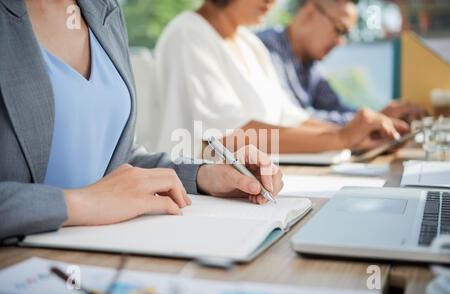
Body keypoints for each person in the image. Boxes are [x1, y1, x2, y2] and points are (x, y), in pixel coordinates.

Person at [0, 0, 283, 243]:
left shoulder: (102, 9)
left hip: (106, 247)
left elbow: (114, 159)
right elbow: (104, 192)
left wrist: (205, 176)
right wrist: (81, 203)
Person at [153, 0, 410, 157]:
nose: (272, 1)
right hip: (195, 193)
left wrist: (357, 134)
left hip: (246, 183)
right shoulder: (188, 34)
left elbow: (288, 116)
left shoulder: (248, 43)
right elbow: (224, 137)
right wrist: (340, 139)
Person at [257, 0, 427, 125]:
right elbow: (290, 118)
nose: (341, 42)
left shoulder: (310, 64)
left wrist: (375, 117)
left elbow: (335, 107)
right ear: (309, 14)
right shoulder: (265, 49)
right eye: (339, 30)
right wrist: (370, 120)